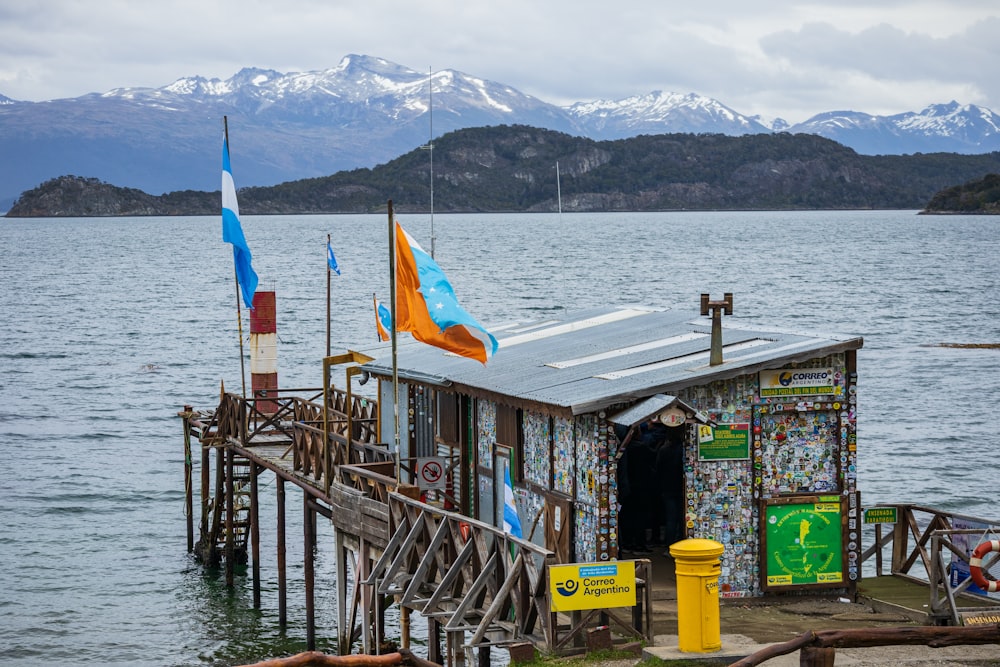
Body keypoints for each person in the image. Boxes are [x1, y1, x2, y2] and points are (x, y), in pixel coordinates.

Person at [656, 425, 685, 554]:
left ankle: (670, 546)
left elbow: (658, 468)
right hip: (680, 487)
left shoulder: (663, 450)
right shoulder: (683, 450)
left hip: (667, 487)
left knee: (670, 519)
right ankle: (681, 544)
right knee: (681, 518)